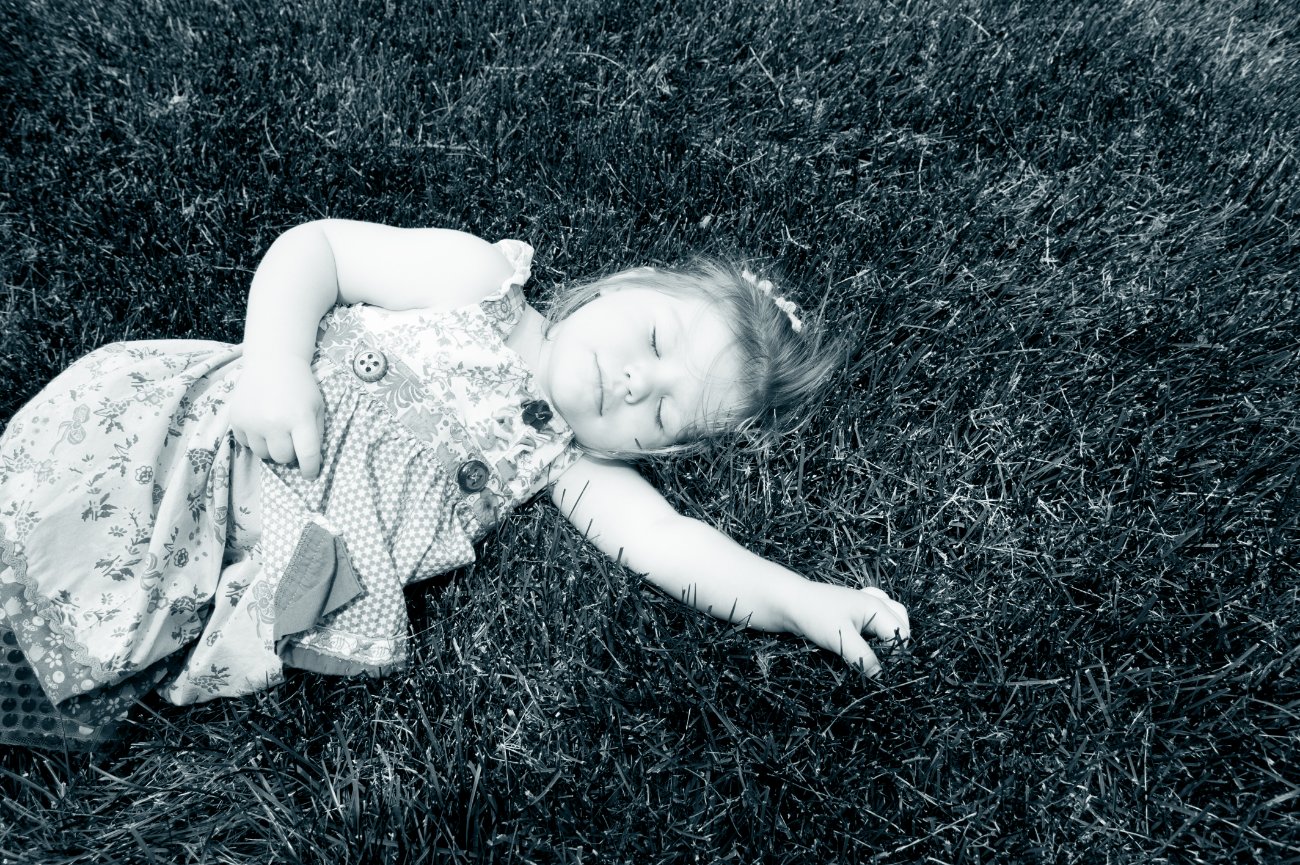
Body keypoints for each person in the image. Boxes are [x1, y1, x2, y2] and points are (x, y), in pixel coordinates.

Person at [0, 220, 909, 750]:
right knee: (82, 514)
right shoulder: (479, 284)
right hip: (215, 437)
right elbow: (316, 252)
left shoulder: (572, 466)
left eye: (664, 415)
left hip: (255, 556)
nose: (636, 382)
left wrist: (798, 599)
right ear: (620, 287)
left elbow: (677, 547)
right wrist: (275, 363)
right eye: (657, 342)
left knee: (107, 636)